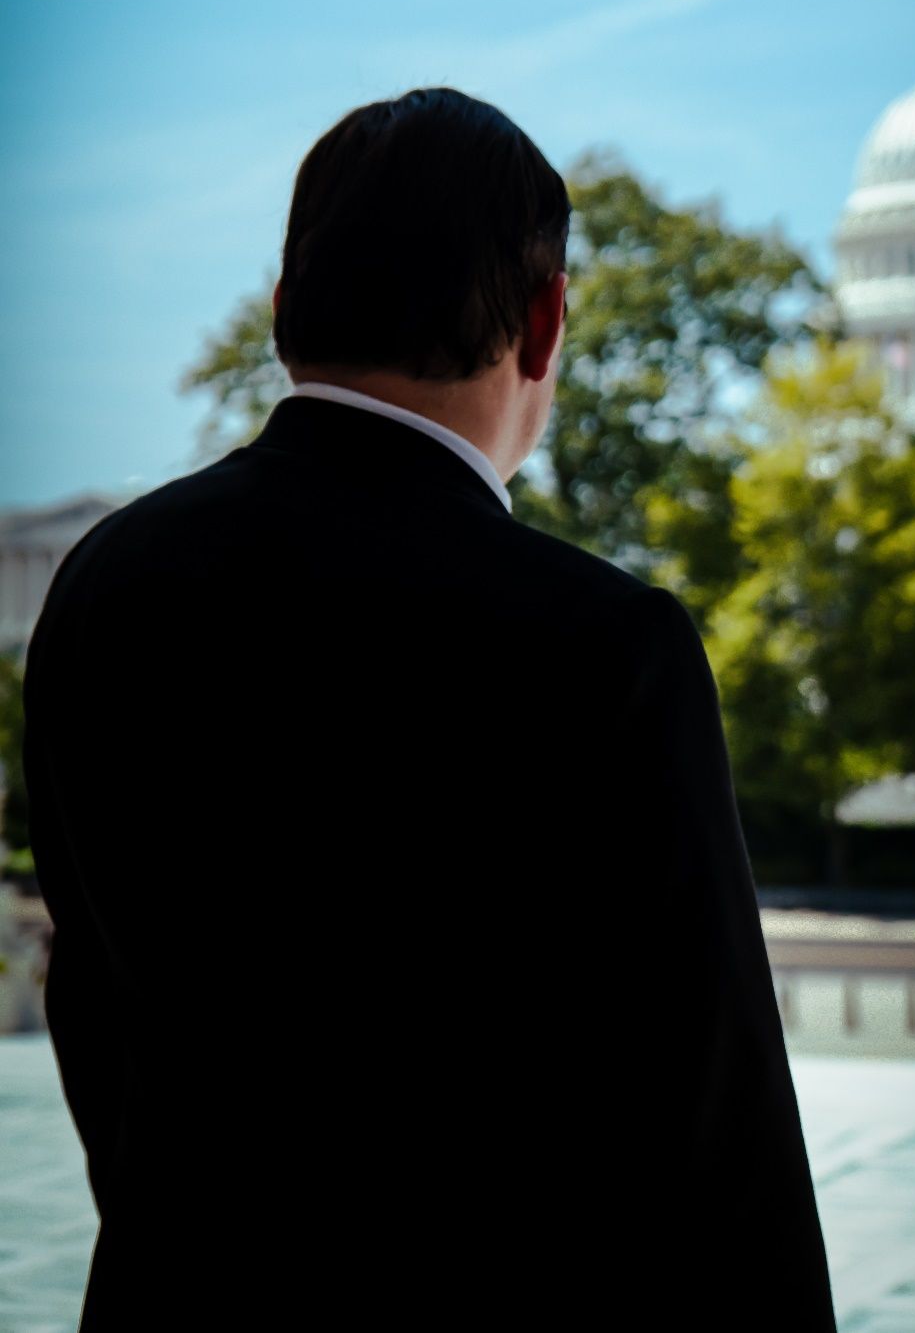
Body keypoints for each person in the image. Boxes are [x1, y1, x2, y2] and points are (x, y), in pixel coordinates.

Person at [23, 87, 836, 1328]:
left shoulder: (104, 586)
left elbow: (90, 1016)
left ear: (287, 311)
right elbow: (717, 1139)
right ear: (545, 318)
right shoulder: (609, 645)